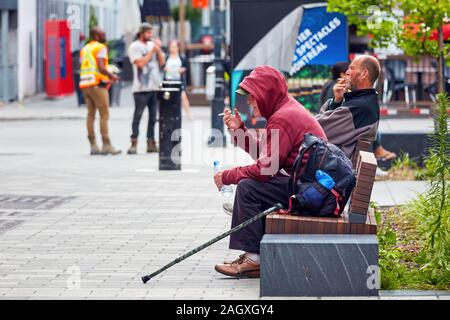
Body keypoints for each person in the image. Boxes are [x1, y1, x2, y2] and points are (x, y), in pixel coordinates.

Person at [213, 66, 327, 278]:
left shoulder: (283, 117)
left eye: (252, 96)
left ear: (266, 93)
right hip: (310, 187)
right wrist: (240, 131)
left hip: (310, 193)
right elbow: (269, 160)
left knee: (249, 188)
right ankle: (254, 255)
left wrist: (228, 176)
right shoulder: (284, 110)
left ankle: (254, 259)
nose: (248, 101)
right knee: (252, 184)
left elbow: (266, 169)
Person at [319, 60, 397, 161]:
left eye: (351, 68)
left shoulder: (357, 107)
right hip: (337, 163)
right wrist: (337, 101)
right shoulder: (367, 100)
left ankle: (378, 149)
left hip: (332, 166)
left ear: (364, 74)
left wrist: (334, 103)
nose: (347, 72)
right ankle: (378, 149)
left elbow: (316, 128)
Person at [79, 26, 121, 156]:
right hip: (97, 85)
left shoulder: (85, 48)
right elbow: (101, 67)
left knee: (90, 114)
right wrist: (112, 76)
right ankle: (106, 144)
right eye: (103, 34)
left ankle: (93, 145)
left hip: (85, 84)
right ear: (96, 36)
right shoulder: (100, 47)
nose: (105, 36)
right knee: (104, 114)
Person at [127, 23, 166, 155]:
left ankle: (151, 142)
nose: (151, 35)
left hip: (154, 86)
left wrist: (158, 49)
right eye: (148, 33)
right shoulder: (134, 46)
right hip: (140, 88)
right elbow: (141, 63)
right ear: (141, 33)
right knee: (137, 115)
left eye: (151, 32)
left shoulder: (152, 46)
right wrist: (152, 51)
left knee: (153, 117)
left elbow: (162, 63)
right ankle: (134, 142)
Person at [164, 40, 192, 120]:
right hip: (168, 80)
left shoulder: (181, 57)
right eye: (171, 47)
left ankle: (188, 114)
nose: (173, 48)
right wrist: (166, 69)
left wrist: (180, 70)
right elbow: (163, 67)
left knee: (183, 97)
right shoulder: (166, 57)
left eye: (174, 47)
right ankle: (167, 114)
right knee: (167, 97)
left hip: (178, 80)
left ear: (178, 48)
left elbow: (185, 67)